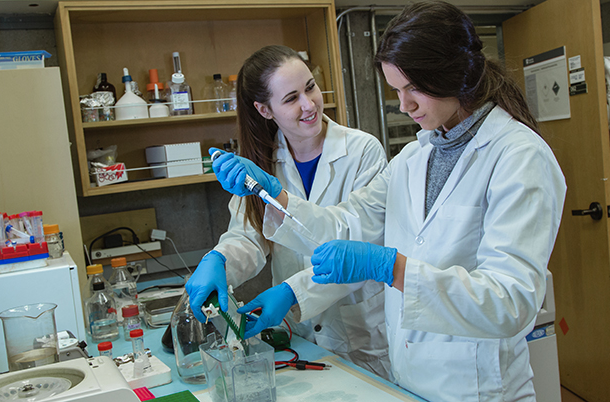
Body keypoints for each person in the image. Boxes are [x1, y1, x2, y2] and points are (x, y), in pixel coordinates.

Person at [208, 2, 567, 401]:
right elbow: (342, 226)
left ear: (455, 75)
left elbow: (511, 301)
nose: (404, 105)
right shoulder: (415, 158)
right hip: (408, 382)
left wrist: (390, 267)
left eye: (413, 88)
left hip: (479, 388)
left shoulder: (519, 156)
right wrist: (276, 196)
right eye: (397, 90)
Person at [185, 45, 392, 378]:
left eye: (310, 87)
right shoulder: (260, 161)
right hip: (301, 337)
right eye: (291, 98)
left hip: (362, 337)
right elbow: (248, 235)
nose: (309, 104)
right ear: (265, 110)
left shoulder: (362, 151)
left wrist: (293, 292)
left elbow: (356, 241)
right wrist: (221, 260)